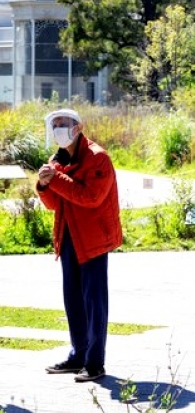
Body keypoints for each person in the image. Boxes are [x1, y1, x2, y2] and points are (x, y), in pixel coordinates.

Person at [37, 108, 122, 383]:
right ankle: (78, 356)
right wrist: (43, 184)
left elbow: (90, 197)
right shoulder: (56, 160)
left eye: (64, 124)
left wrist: (56, 179)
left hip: (94, 239)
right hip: (69, 236)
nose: (59, 128)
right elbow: (54, 203)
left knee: (94, 301)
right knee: (73, 298)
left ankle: (95, 363)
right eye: (56, 124)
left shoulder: (98, 157)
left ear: (78, 127)